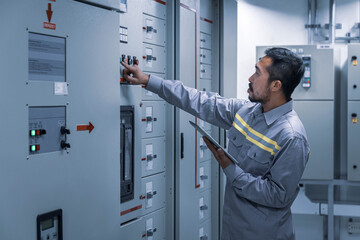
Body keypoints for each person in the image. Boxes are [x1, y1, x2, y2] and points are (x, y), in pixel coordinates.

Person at [121, 47, 310, 240]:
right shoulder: (247, 112)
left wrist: (231, 169)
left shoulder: (292, 136)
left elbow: (278, 195)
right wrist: (147, 80)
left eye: (257, 73)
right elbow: (199, 101)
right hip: (232, 227)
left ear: (276, 85)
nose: (250, 78)